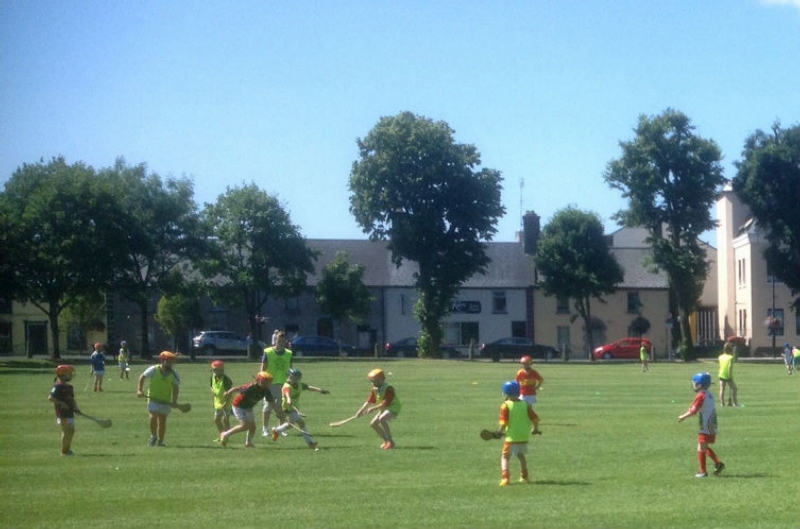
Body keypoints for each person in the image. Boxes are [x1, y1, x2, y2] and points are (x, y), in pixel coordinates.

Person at [678, 372, 725, 478]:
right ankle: (718, 463)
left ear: (699, 385)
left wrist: (683, 416)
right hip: (712, 424)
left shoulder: (701, 396)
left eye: (695, 383)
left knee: (701, 447)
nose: (693, 385)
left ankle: (703, 472)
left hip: (706, 425)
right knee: (703, 446)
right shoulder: (709, 394)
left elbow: (693, 411)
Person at [219, 371, 283, 448]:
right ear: (259, 381)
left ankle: (248, 443)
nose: (267, 385)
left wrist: (278, 413)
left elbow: (271, 402)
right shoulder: (250, 387)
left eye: (268, 383)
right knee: (244, 426)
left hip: (248, 408)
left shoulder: (266, 390)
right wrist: (228, 392)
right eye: (265, 382)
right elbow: (237, 389)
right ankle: (225, 434)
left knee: (252, 427)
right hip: (238, 406)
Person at [271, 368, 329, 450]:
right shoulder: (287, 386)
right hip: (288, 408)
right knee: (301, 423)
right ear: (290, 377)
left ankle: (277, 430)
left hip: (295, 407)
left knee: (290, 425)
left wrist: (320, 390)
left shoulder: (299, 385)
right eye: (295, 377)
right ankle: (311, 443)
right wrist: (288, 399)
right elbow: (287, 394)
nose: (296, 379)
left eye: (298, 378)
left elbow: (308, 387)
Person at [495, 380, 538, 486]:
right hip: (523, 436)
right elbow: (535, 419)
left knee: (505, 457)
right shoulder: (526, 404)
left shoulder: (505, 405)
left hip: (511, 437)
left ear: (505, 393)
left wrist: (499, 432)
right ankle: (525, 477)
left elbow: (503, 422)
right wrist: (535, 429)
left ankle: (505, 478)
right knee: (521, 455)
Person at [137, 351, 181, 447]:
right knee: (153, 417)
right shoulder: (154, 369)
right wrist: (139, 390)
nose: (170, 364)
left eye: (172, 362)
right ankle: (153, 436)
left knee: (162, 421)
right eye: (168, 361)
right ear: (162, 361)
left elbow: (176, 388)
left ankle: (160, 441)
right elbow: (142, 377)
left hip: (165, 400)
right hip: (153, 399)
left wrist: (174, 401)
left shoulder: (174, 374)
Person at [355, 368, 401, 450]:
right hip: (384, 408)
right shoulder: (374, 388)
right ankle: (386, 441)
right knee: (373, 424)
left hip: (393, 407)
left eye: (374, 381)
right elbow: (369, 401)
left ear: (381, 379)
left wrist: (373, 409)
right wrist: (360, 411)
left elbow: (386, 403)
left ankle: (390, 442)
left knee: (382, 419)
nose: (372, 383)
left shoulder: (389, 388)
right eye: (371, 381)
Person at [260, 331, 293, 437]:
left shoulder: (288, 353)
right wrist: (262, 381)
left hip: (283, 384)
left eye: (283, 341)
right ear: (275, 340)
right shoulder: (268, 352)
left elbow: (290, 369)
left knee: (281, 408)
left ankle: (280, 428)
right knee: (267, 407)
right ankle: (265, 429)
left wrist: (291, 382)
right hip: (269, 384)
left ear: (285, 341)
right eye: (279, 340)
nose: (281, 342)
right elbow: (263, 367)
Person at [48, 365, 81, 456]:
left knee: (71, 431)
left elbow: (72, 399)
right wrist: (62, 404)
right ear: (63, 375)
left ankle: (67, 450)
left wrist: (76, 407)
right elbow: (50, 398)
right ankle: (64, 452)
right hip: (62, 413)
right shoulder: (58, 386)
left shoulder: (70, 387)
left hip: (70, 412)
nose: (71, 375)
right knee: (67, 430)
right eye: (69, 373)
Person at [514, 356, 542, 435]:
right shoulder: (520, 372)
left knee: (528, 408)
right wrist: (516, 390)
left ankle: (532, 420)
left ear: (530, 364)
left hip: (530, 393)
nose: (525, 365)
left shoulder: (534, 372)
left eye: (527, 363)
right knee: (523, 407)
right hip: (522, 392)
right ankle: (531, 420)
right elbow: (516, 382)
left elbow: (540, 379)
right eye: (523, 364)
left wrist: (537, 387)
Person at [210, 360, 233, 436]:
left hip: (227, 402)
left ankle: (226, 436)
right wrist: (212, 390)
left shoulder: (226, 379)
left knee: (225, 420)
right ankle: (222, 434)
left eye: (218, 370)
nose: (216, 371)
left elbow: (230, 392)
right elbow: (211, 385)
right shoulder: (213, 377)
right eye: (214, 370)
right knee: (216, 420)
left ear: (222, 370)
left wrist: (225, 403)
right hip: (218, 401)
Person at [718, 343, 738, 407]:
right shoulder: (731, 357)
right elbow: (729, 367)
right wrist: (730, 376)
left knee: (722, 389)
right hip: (727, 375)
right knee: (734, 388)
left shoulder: (720, 357)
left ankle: (722, 403)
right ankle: (735, 403)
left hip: (721, 374)